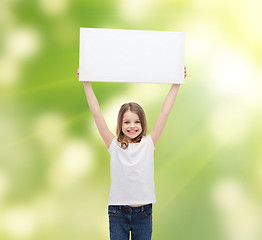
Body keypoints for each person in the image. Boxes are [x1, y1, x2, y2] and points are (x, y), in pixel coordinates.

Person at [77, 67, 187, 240]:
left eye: (136, 121)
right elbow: (97, 114)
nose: (132, 126)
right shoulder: (114, 145)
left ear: (142, 123)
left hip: (143, 214)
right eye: (126, 122)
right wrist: (86, 83)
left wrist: (176, 83)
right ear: (120, 124)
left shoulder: (149, 143)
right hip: (117, 212)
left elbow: (165, 112)